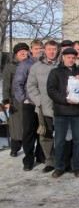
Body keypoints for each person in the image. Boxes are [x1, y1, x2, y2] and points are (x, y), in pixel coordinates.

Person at [47, 47, 79, 178]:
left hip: (78, 111)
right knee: (60, 140)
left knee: (78, 141)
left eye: (73, 57)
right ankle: (59, 166)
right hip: (61, 110)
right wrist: (65, 99)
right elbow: (51, 90)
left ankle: (77, 166)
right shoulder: (55, 72)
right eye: (68, 57)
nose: (71, 60)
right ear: (63, 58)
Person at [26, 40, 59, 173]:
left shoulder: (62, 65)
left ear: (58, 51)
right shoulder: (36, 66)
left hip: (61, 107)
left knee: (63, 135)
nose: (52, 52)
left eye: (54, 49)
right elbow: (31, 86)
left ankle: (63, 159)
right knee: (45, 136)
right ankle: (50, 161)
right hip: (43, 107)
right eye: (49, 49)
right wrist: (38, 100)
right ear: (44, 50)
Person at [13, 39, 45, 170]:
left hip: (43, 103)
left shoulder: (45, 63)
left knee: (42, 131)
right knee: (29, 132)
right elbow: (18, 83)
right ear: (31, 50)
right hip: (30, 103)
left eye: (40, 48)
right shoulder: (25, 64)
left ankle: (41, 154)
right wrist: (23, 99)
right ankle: (28, 158)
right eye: (36, 48)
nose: (38, 51)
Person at [2, 43, 29, 157]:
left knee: (28, 125)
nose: (23, 53)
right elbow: (6, 84)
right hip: (15, 100)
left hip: (29, 98)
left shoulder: (32, 64)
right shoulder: (10, 66)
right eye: (20, 52)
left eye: (25, 51)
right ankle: (15, 147)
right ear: (16, 54)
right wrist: (6, 100)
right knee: (16, 126)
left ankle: (29, 148)